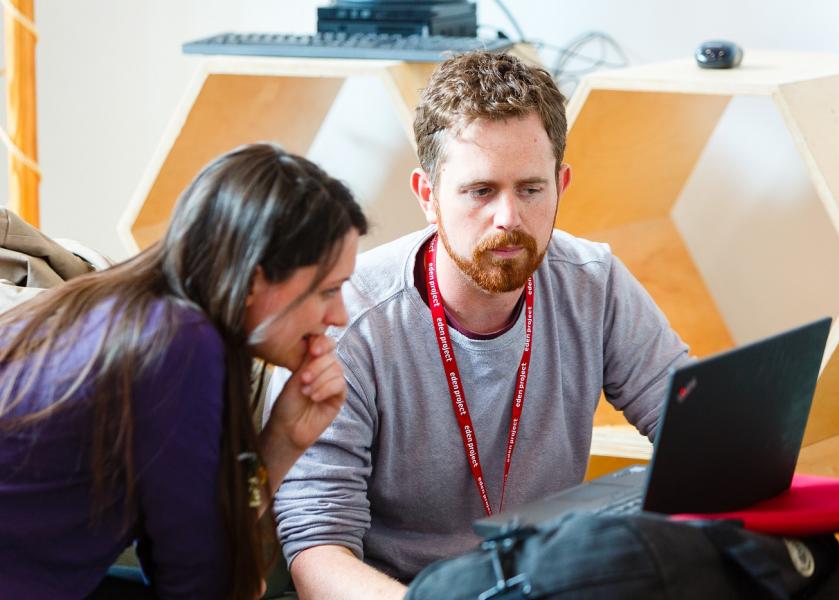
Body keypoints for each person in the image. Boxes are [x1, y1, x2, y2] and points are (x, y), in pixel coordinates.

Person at [268, 51, 691, 599]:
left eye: (531, 189)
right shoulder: (351, 323)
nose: (509, 218)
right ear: (427, 196)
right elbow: (317, 552)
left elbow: (696, 432)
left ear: (561, 184)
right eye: (480, 191)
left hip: (555, 581)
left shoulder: (594, 281)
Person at [0, 143, 367, 599]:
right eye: (327, 290)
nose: (339, 315)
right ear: (254, 280)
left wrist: (284, 440)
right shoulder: (179, 344)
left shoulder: (127, 307)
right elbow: (204, 585)